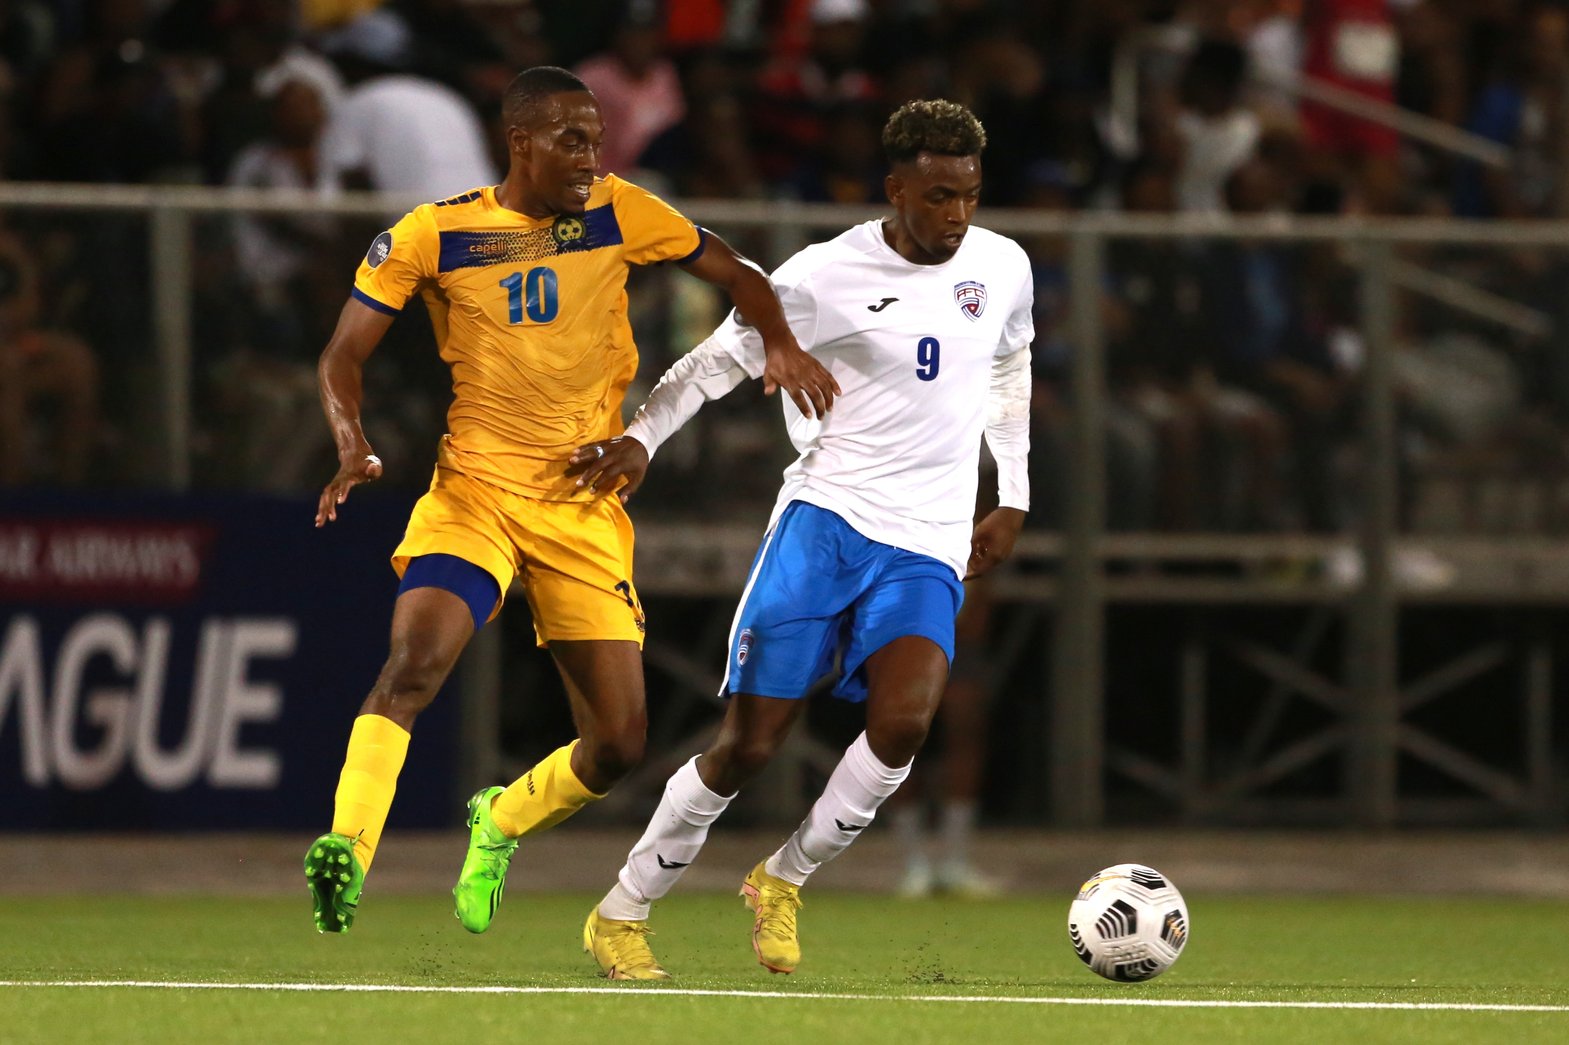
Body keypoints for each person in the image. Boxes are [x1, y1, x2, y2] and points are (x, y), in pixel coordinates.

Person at [302, 65, 838, 935]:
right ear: (521, 142)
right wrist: (351, 439)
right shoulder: (435, 233)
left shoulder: (621, 211)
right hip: (475, 493)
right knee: (413, 665)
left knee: (620, 743)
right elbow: (342, 354)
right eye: (572, 140)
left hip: (581, 504)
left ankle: (500, 819)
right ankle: (346, 853)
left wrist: (775, 341)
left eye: (596, 138)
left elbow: (738, 273)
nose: (593, 156)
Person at [571, 98, 1033, 978]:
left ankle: (782, 878)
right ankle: (622, 910)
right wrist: (641, 437)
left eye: (968, 195)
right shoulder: (823, 276)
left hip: (928, 539)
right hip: (826, 522)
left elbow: (1011, 364)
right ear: (894, 189)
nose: (956, 215)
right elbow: (711, 362)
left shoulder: (1003, 267)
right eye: (937, 196)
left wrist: (1010, 490)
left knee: (903, 724)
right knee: (748, 744)